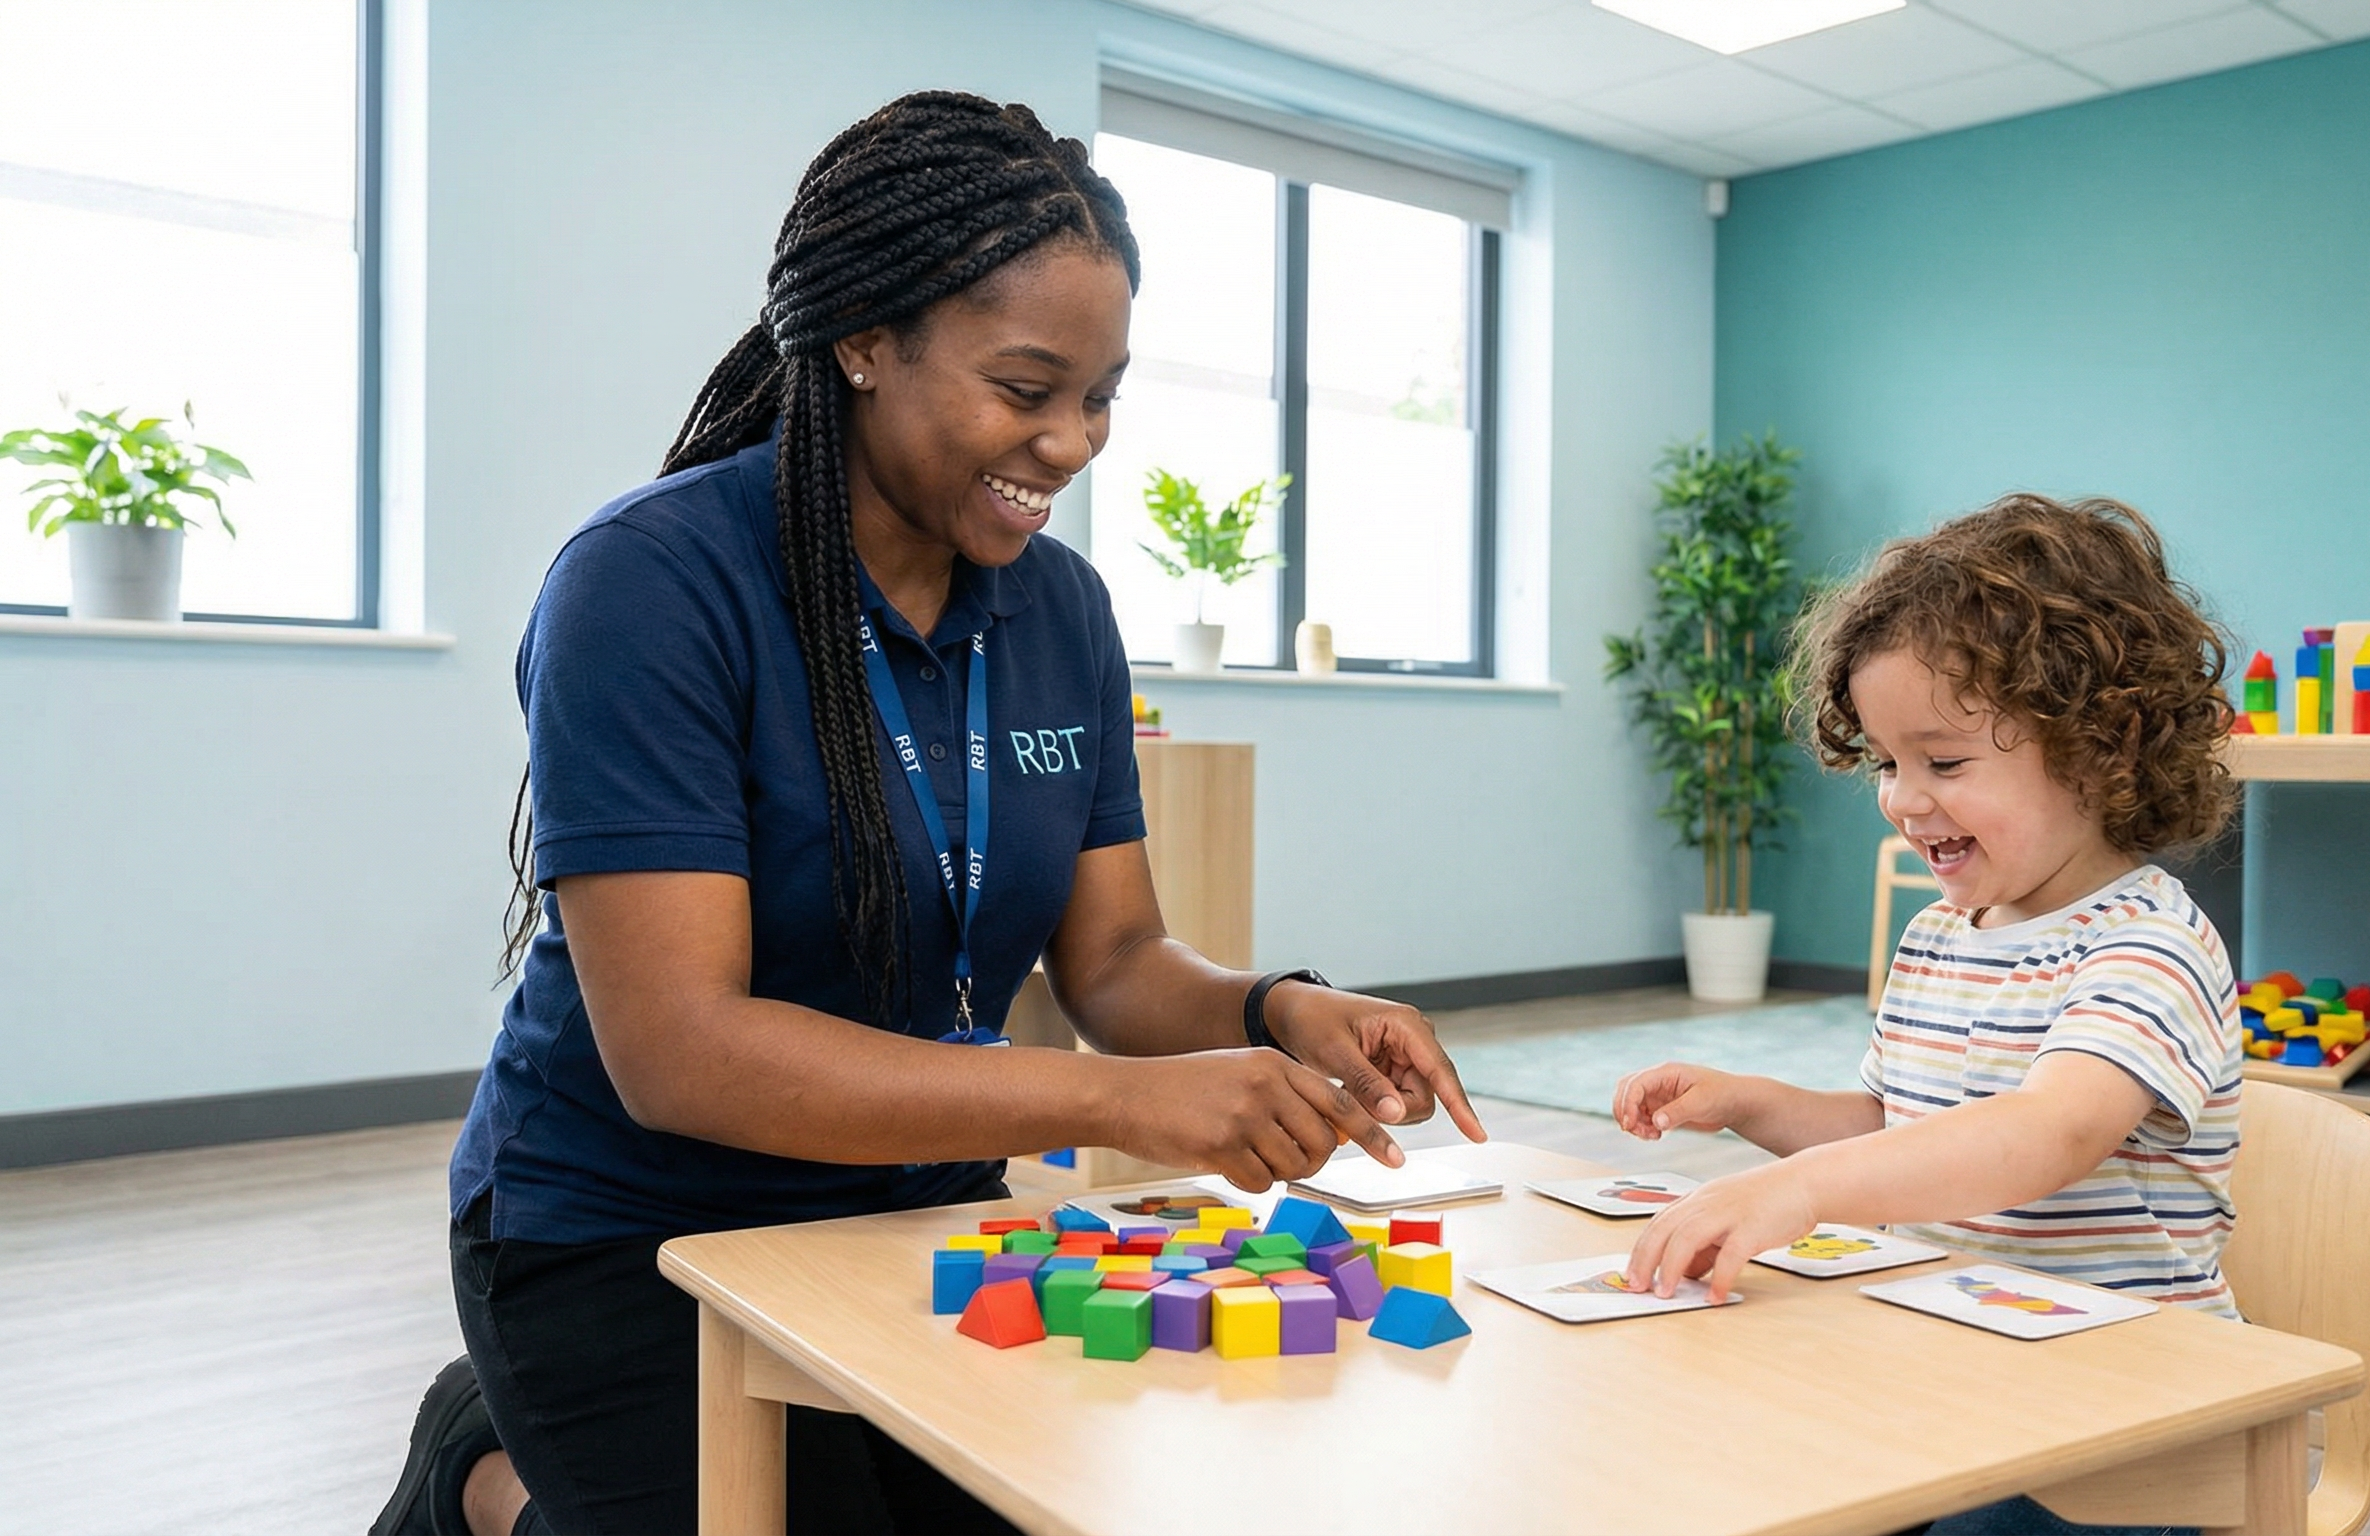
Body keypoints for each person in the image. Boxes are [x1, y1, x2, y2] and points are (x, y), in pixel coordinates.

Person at [373, 92, 1483, 1536]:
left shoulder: (1061, 608)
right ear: (861, 342)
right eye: (1027, 389)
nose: (1074, 443)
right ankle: (492, 1474)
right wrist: (1117, 1100)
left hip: (918, 1210)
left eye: (1102, 395)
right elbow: (682, 1055)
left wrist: (1273, 1008)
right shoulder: (646, 588)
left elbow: (1117, 964)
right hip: (625, 1231)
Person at [1614, 495, 2240, 1536]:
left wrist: (1799, 1190)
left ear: (2097, 748)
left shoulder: (2146, 947)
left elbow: (2045, 1135)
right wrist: (1753, 1104)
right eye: (1885, 764)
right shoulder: (1944, 934)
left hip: (2126, 1406)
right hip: (1960, 1357)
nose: (1904, 799)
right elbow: (1897, 1129)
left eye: (1943, 763)